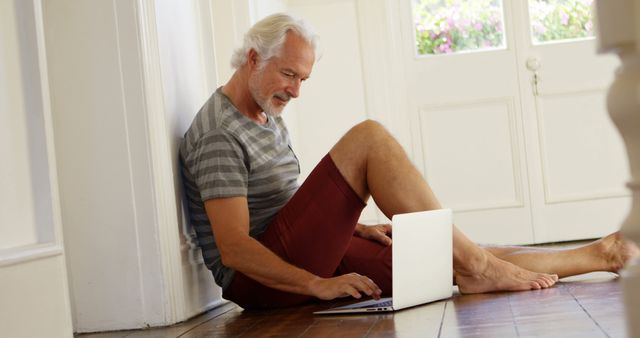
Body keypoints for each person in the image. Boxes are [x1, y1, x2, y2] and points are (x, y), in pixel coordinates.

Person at [179, 13, 639, 310]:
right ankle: (481, 268)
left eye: (303, 78)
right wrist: (316, 285)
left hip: (297, 252)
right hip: (261, 280)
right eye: (289, 74)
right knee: (369, 139)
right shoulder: (221, 132)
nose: (296, 90)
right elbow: (236, 250)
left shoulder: (265, 110)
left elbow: (279, 202)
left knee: (447, 256)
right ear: (254, 58)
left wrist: (353, 227)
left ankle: (601, 254)